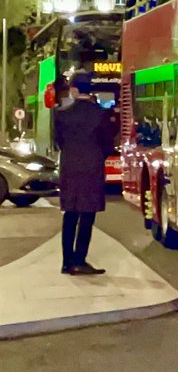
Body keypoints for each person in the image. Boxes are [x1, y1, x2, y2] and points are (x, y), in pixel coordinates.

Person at [53, 72, 118, 275]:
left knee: (70, 214)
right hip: (92, 168)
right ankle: (80, 259)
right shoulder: (100, 113)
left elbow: (58, 142)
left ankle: (66, 261)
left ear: (74, 89)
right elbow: (108, 143)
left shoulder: (60, 113)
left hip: (69, 168)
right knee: (87, 215)